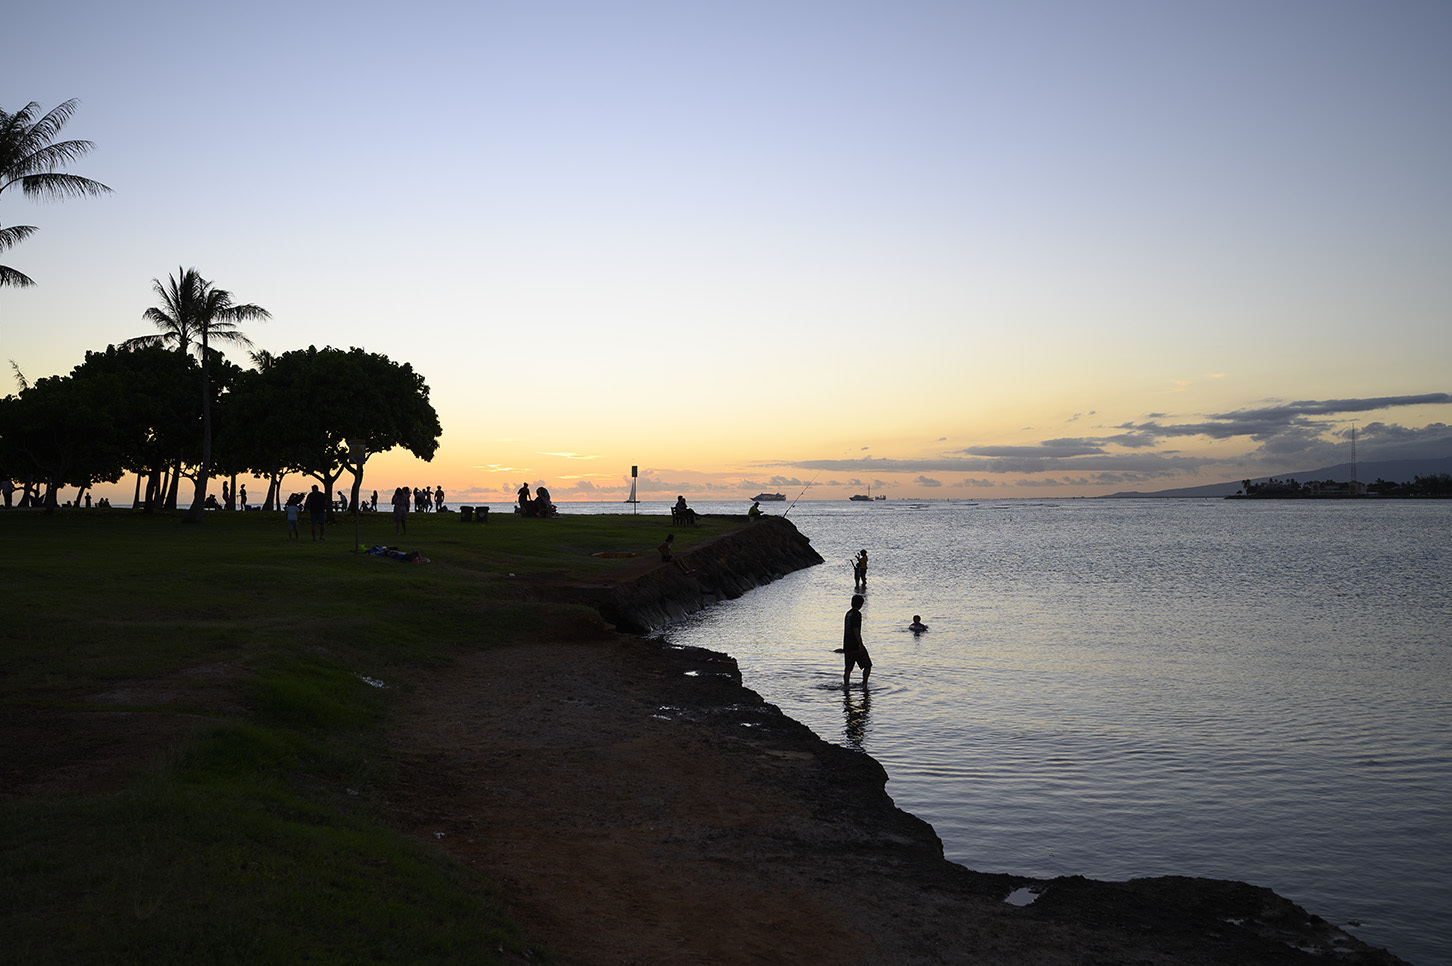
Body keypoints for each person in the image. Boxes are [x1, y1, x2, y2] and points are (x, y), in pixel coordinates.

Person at [842, 593, 872, 688]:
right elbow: (856, 630)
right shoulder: (857, 614)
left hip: (847, 644)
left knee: (848, 668)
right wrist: (860, 644)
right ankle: (864, 684)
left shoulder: (848, 613)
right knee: (867, 665)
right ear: (861, 604)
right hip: (855, 644)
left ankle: (846, 686)